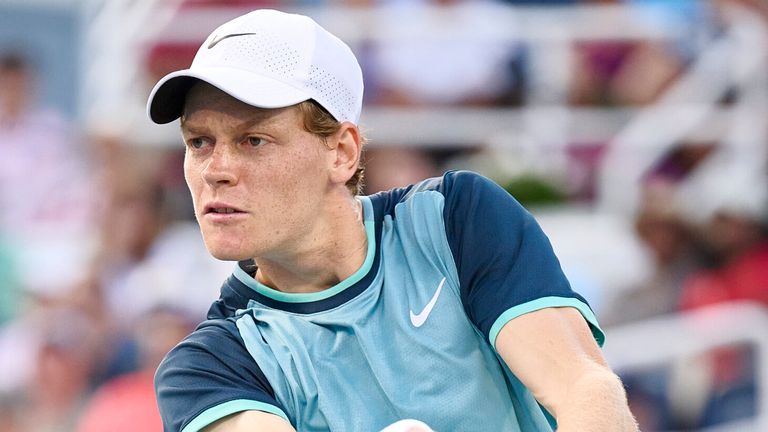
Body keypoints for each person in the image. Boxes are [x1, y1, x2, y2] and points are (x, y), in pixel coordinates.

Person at [146, 9, 637, 432]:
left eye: (253, 140)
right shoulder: (207, 369)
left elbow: (584, 389)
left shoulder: (457, 218)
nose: (215, 171)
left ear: (341, 153)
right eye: (199, 142)